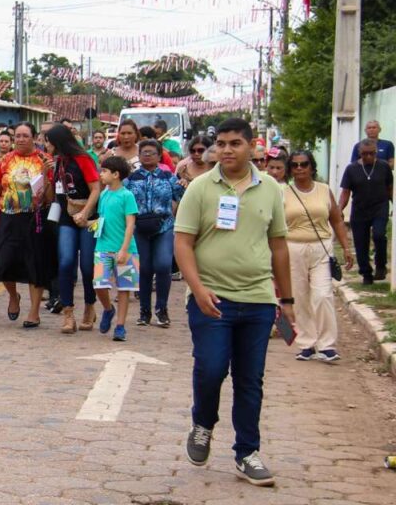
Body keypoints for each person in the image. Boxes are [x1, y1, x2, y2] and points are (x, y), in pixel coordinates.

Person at [175, 118, 295, 488]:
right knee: (211, 369)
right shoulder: (200, 187)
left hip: (258, 299)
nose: (226, 150)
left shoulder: (270, 188)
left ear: (251, 146)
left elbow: (278, 245)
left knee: (249, 379)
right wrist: (197, 289)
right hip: (211, 298)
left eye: (234, 144)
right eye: (221, 144)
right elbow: (182, 242)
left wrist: (286, 300)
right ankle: (203, 424)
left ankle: (247, 452)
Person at [0, 123, 56, 329]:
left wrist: (45, 175)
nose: (21, 139)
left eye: (26, 136)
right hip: (8, 216)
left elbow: (49, 198)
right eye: (18, 136)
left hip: (35, 218)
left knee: (35, 264)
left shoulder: (45, 160)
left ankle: (34, 313)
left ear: (34, 137)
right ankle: (13, 296)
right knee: (3, 262)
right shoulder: (6, 159)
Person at [284, 151, 354, 362]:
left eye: (304, 164)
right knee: (300, 296)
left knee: (322, 295)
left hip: (321, 248)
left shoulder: (324, 191)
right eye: (295, 165)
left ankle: (327, 345)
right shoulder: (284, 193)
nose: (299, 169)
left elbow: (337, 220)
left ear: (311, 167)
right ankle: (307, 343)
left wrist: (346, 247)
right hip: (293, 247)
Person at [125, 139, 184, 327]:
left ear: (160, 156)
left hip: (164, 226)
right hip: (139, 228)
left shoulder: (169, 178)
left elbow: (183, 198)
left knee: (163, 265)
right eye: (144, 152)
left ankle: (162, 308)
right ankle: (144, 310)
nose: (147, 155)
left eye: (152, 152)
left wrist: (185, 183)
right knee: (144, 269)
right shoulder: (130, 180)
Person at [48, 124, 101, 333]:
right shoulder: (57, 162)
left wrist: (86, 213)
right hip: (66, 216)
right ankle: (68, 313)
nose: (46, 145)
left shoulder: (83, 159)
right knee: (66, 262)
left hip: (87, 218)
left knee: (88, 266)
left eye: (49, 141)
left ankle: (89, 306)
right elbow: (55, 191)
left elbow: (95, 188)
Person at [92, 155, 140, 342]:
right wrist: (87, 222)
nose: (101, 174)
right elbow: (101, 220)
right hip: (102, 247)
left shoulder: (127, 196)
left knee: (124, 288)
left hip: (126, 250)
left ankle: (120, 326)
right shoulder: (103, 194)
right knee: (99, 284)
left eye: (104, 171)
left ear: (116, 174)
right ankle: (107, 309)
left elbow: (130, 224)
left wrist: (124, 249)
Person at [339, 138, 394, 284]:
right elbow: (346, 192)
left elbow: (390, 188)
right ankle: (366, 274)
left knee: (379, 234)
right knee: (360, 242)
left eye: (371, 153)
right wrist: (339, 209)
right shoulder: (351, 169)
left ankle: (381, 265)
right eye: (365, 154)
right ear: (359, 153)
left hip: (380, 207)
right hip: (360, 210)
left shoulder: (383, 166)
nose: (368, 156)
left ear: (376, 152)